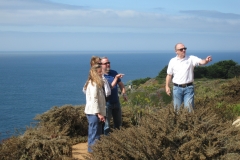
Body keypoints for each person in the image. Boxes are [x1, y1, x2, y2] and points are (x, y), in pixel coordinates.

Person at [165, 43, 212, 112]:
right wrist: (167, 86)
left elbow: (201, 62)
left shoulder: (191, 58)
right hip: (177, 89)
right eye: (181, 49)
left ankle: (189, 123)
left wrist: (206, 60)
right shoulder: (172, 61)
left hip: (189, 88)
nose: (183, 50)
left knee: (189, 110)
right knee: (177, 111)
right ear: (176, 51)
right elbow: (169, 75)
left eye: (185, 49)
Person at [100, 57, 127, 135]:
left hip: (116, 102)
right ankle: (106, 143)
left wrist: (124, 94)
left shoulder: (114, 72)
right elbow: (109, 88)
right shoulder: (100, 76)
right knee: (106, 126)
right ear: (101, 65)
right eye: (105, 63)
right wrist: (116, 78)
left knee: (118, 124)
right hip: (106, 104)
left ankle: (117, 141)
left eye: (109, 63)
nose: (108, 64)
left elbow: (121, 85)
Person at [83, 64, 106, 152]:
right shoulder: (93, 84)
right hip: (94, 113)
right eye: (99, 72)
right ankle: (92, 153)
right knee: (94, 134)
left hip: (96, 113)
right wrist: (99, 113)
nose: (101, 74)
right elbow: (94, 99)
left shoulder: (97, 83)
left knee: (97, 134)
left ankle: (95, 152)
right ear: (95, 73)